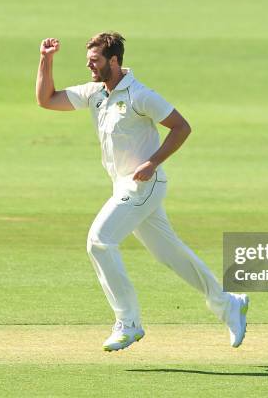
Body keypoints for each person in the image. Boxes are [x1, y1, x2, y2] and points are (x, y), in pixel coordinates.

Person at [35, 32, 249, 352]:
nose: (90, 67)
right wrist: (46, 59)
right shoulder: (94, 92)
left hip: (143, 184)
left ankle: (129, 322)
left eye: (95, 61)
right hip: (123, 184)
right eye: (88, 61)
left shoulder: (139, 94)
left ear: (114, 61)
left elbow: (182, 127)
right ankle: (227, 303)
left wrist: (152, 162)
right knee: (170, 254)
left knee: (99, 241)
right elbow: (47, 99)